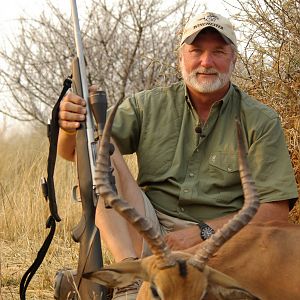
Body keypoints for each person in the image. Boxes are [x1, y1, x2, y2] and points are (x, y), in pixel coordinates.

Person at [57, 12, 298, 300]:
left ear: (233, 58)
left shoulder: (260, 119)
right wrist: (70, 126)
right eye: (196, 51)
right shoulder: (148, 105)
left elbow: (274, 213)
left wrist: (202, 234)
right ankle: (130, 280)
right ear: (180, 57)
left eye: (218, 52)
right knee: (98, 146)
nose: (206, 62)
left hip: (217, 246)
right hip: (149, 233)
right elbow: (75, 151)